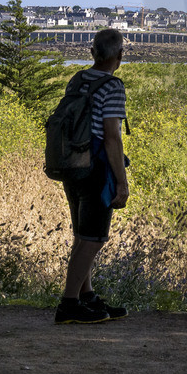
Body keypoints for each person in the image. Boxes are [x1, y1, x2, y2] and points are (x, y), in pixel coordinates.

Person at [55, 27, 131, 324]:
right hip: (96, 169)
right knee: (93, 239)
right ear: (119, 56)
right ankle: (69, 304)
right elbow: (112, 138)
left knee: (82, 234)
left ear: (92, 53)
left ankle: (86, 297)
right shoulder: (112, 87)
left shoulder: (78, 79)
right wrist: (121, 182)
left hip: (71, 164)